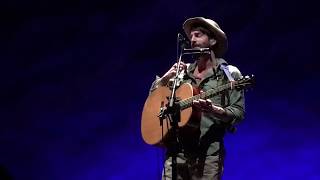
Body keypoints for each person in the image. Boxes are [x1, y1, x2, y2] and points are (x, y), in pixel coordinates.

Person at [149, 17, 245, 180]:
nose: (192, 40)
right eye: (191, 36)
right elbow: (153, 99)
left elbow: (238, 113)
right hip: (176, 153)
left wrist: (214, 110)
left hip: (208, 155)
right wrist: (165, 78)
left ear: (213, 40)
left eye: (198, 35)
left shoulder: (229, 74)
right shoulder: (182, 73)